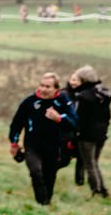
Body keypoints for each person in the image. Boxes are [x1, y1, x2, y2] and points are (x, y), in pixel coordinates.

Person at [7, 71, 77, 206]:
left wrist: (59, 118)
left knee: (49, 176)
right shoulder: (30, 102)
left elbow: (74, 123)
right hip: (32, 146)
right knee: (35, 171)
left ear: (56, 88)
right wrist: (14, 143)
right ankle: (42, 203)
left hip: (55, 146)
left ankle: (46, 203)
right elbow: (16, 124)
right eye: (42, 85)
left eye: (48, 87)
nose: (43, 89)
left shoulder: (63, 101)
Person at [68, 65, 111, 198]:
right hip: (101, 134)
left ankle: (96, 191)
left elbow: (78, 117)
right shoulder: (103, 94)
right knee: (95, 163)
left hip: (86, 135)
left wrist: (75, 132)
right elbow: (107, 116)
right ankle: (103, 190)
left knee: (89, 164)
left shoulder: (83, 97)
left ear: (84, 81)